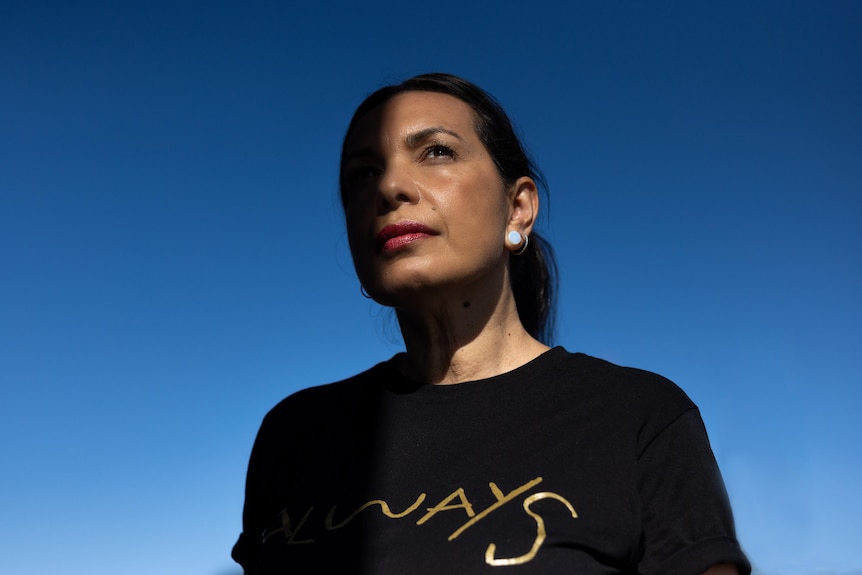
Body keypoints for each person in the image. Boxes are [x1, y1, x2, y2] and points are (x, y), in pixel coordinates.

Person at [232, 73, 750, 574]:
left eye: (436, 152)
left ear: (518, 208)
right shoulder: (295, 434)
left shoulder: (640, 418)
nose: (389, 186)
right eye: (363, 173)